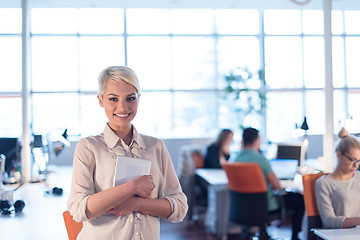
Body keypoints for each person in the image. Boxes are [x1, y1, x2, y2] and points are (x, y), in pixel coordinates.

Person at [67, 66, 188, 240]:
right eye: (113, 99)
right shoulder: (88, 147)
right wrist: (132, 187)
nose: (122, 107)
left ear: (139, 98)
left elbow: (180, 207)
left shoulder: (156, 146)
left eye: (130, 98)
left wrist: (137, 204)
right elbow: (79, 210)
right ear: (101, 100)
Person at [232, 127, 304, 240]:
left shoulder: (234, 160)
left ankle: (264, 233)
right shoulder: (261, 160)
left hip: (242, 207)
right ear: (257, 140)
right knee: (300, 199)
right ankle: (295, 237)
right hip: (264, 207)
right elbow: (277, 186)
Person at [315, 128, 360, 229]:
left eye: (358, 161)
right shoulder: (324, 183)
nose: (356, 166)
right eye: (352, 160)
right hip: (340, 235)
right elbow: (329, 221)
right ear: (339, 155)